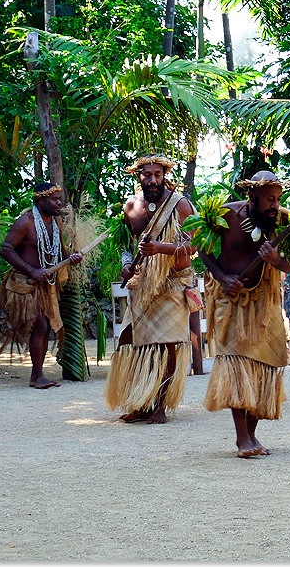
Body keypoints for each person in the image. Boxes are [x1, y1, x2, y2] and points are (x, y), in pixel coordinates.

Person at [199, 171, 290, 458]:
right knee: (235, 366)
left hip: (265, 302)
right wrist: (221, 277)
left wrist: (274, 259)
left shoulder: (283, 222)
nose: (275, 205)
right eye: (269, 199)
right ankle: (242, 438)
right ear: (252, 196)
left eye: (278, 199)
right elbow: (201, 250)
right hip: (231, 301)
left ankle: (252, 435)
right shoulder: (224, 215)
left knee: (262, 367)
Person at [105, 154, 197, 424]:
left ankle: (160, 405)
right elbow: (126, 245)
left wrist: (162, 249)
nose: (153, 179)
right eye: (147, 174)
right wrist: (125, 264)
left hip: (172, 283)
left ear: (165, 174)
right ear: (139, 176)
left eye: (158, 174)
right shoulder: (131, 206)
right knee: (134, 343)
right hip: (143, 284)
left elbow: (194, 246)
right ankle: (141, 402)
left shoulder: (179, 205)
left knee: (167, 345)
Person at [0, 183, 83, 388]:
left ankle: (38, 375)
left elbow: (59, 250)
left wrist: (70, 258)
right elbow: (5, 249)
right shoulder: (25, 222)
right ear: (41, 200)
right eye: (54, 199)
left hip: (46, 283)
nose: (59, 202)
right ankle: (36, 376)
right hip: (24, 282)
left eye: (59, 198)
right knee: (41, 325)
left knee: (44, 329)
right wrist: (31, 270)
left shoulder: (56, 223)